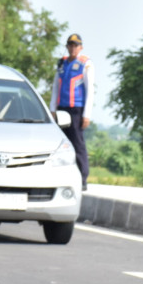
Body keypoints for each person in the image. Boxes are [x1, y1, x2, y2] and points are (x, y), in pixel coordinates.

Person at [51, 32, 94, 189]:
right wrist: (52, 109)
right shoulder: (62, 63)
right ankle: (60, 176)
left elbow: (90, 91)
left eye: (75, 45)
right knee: (61, 143)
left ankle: (82, 178)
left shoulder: (85, 64)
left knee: (78, 143)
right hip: (62, 108)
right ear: (67, 47)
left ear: (80, 47)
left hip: (77, 109)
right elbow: (56, 86)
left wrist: (86, 115)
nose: (72, 48)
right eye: (70, 45)